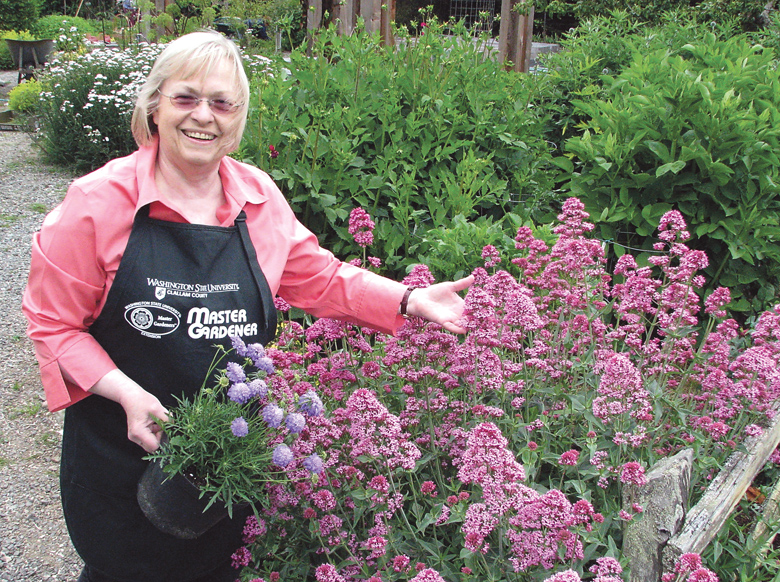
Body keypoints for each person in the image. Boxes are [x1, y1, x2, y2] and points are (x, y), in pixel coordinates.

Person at [22, 31, 473, 582]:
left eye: (221, 102)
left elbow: (322, 278)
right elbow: (54, 326)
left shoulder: (257, 199)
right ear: (154, 106)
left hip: (227, 462)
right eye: (185, 98)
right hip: (121, 452)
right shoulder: (95, 204)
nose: (202, 116)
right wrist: (126, 393)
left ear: (237, 119)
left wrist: (408, 298)